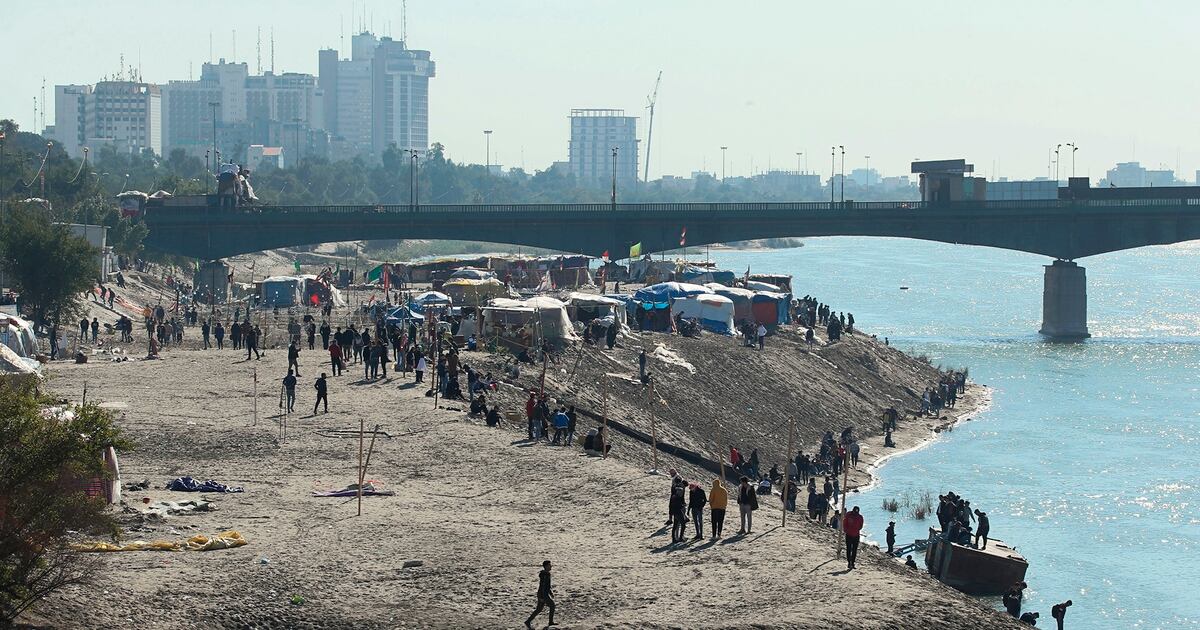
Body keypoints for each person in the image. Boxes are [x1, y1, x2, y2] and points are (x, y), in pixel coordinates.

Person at [524, 560, 555, 628]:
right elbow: (543, 586)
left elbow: (547, 585)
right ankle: (550, 622)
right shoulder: (545, 574)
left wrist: (550, 593)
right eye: (549, 565)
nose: (551, 566)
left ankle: (528, 621)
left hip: (543, 593)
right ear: (546, 566)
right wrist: (542, 597)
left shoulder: (546, 573)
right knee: (552, 605)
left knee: (539, 609)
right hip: (543, 594)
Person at [669, 477, 688, 543]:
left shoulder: (674, 495)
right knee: (683, 525)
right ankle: (680, 538)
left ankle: (674, 539)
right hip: (678, 510)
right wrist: (683, 505)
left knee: (675, 525)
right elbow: (679, 504)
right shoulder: (677, 496)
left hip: (675, 511)